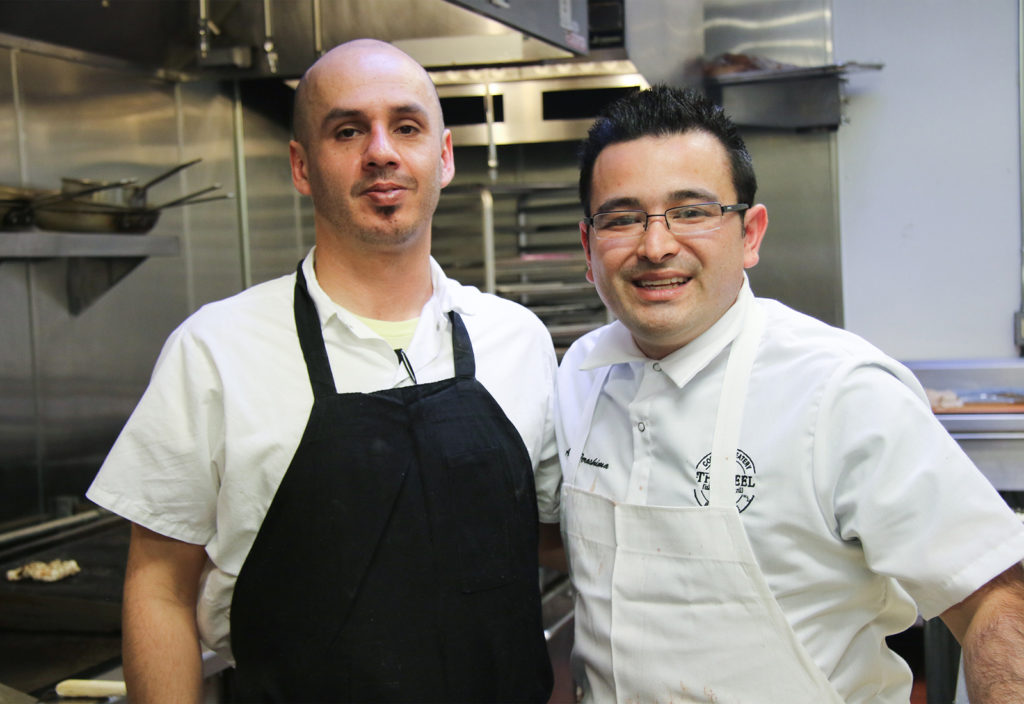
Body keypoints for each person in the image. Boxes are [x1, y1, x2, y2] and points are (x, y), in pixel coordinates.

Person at [86, 39, 560, 703]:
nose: (381, 152)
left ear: (443, 156)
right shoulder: (215, 351)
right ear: (301, 166)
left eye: (406, 126)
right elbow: (160, 585)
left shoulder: (518, 340)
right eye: (347, 130)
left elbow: (554, 536)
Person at [551, 85, 1024, 703]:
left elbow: (997, 599)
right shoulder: (578, 377)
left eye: (691, 211)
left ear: (750, 233)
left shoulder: (839, 391)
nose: (656, 245)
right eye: (622, 218)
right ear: (589, 249)